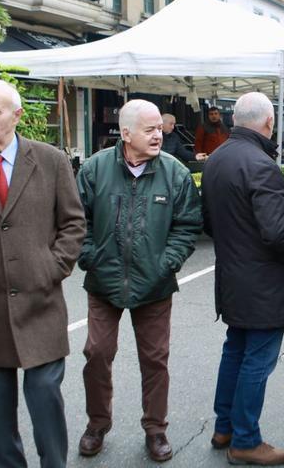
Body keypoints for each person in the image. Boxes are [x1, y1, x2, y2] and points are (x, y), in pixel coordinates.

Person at [0, 79, 86, 468]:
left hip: (42, 304)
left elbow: (73, 224)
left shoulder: (51, 160)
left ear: (17, 116)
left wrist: (53, 266)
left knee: (44, 398)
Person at [76, 99, 202, 462]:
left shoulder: (175, 173)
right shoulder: (95, 169)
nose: (158, 134)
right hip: (104, 283)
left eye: (159, 128)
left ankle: (155, 429)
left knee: (155, 359)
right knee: (96, 353)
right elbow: (75, 218)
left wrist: (168, 263)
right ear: (126, 133)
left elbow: (188, 225)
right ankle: (97, 423)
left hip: (155, 285)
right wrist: (91, 257)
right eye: (149, 129)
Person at [201, 92, 284, 465]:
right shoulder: (260, 164)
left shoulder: (216, 159)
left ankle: (225, 426)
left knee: (235, 350)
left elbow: (209, 223)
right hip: (263, 282)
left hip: (231, 274)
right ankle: (245, 439)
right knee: (257, 360)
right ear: (268, 122)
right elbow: (278, 234)